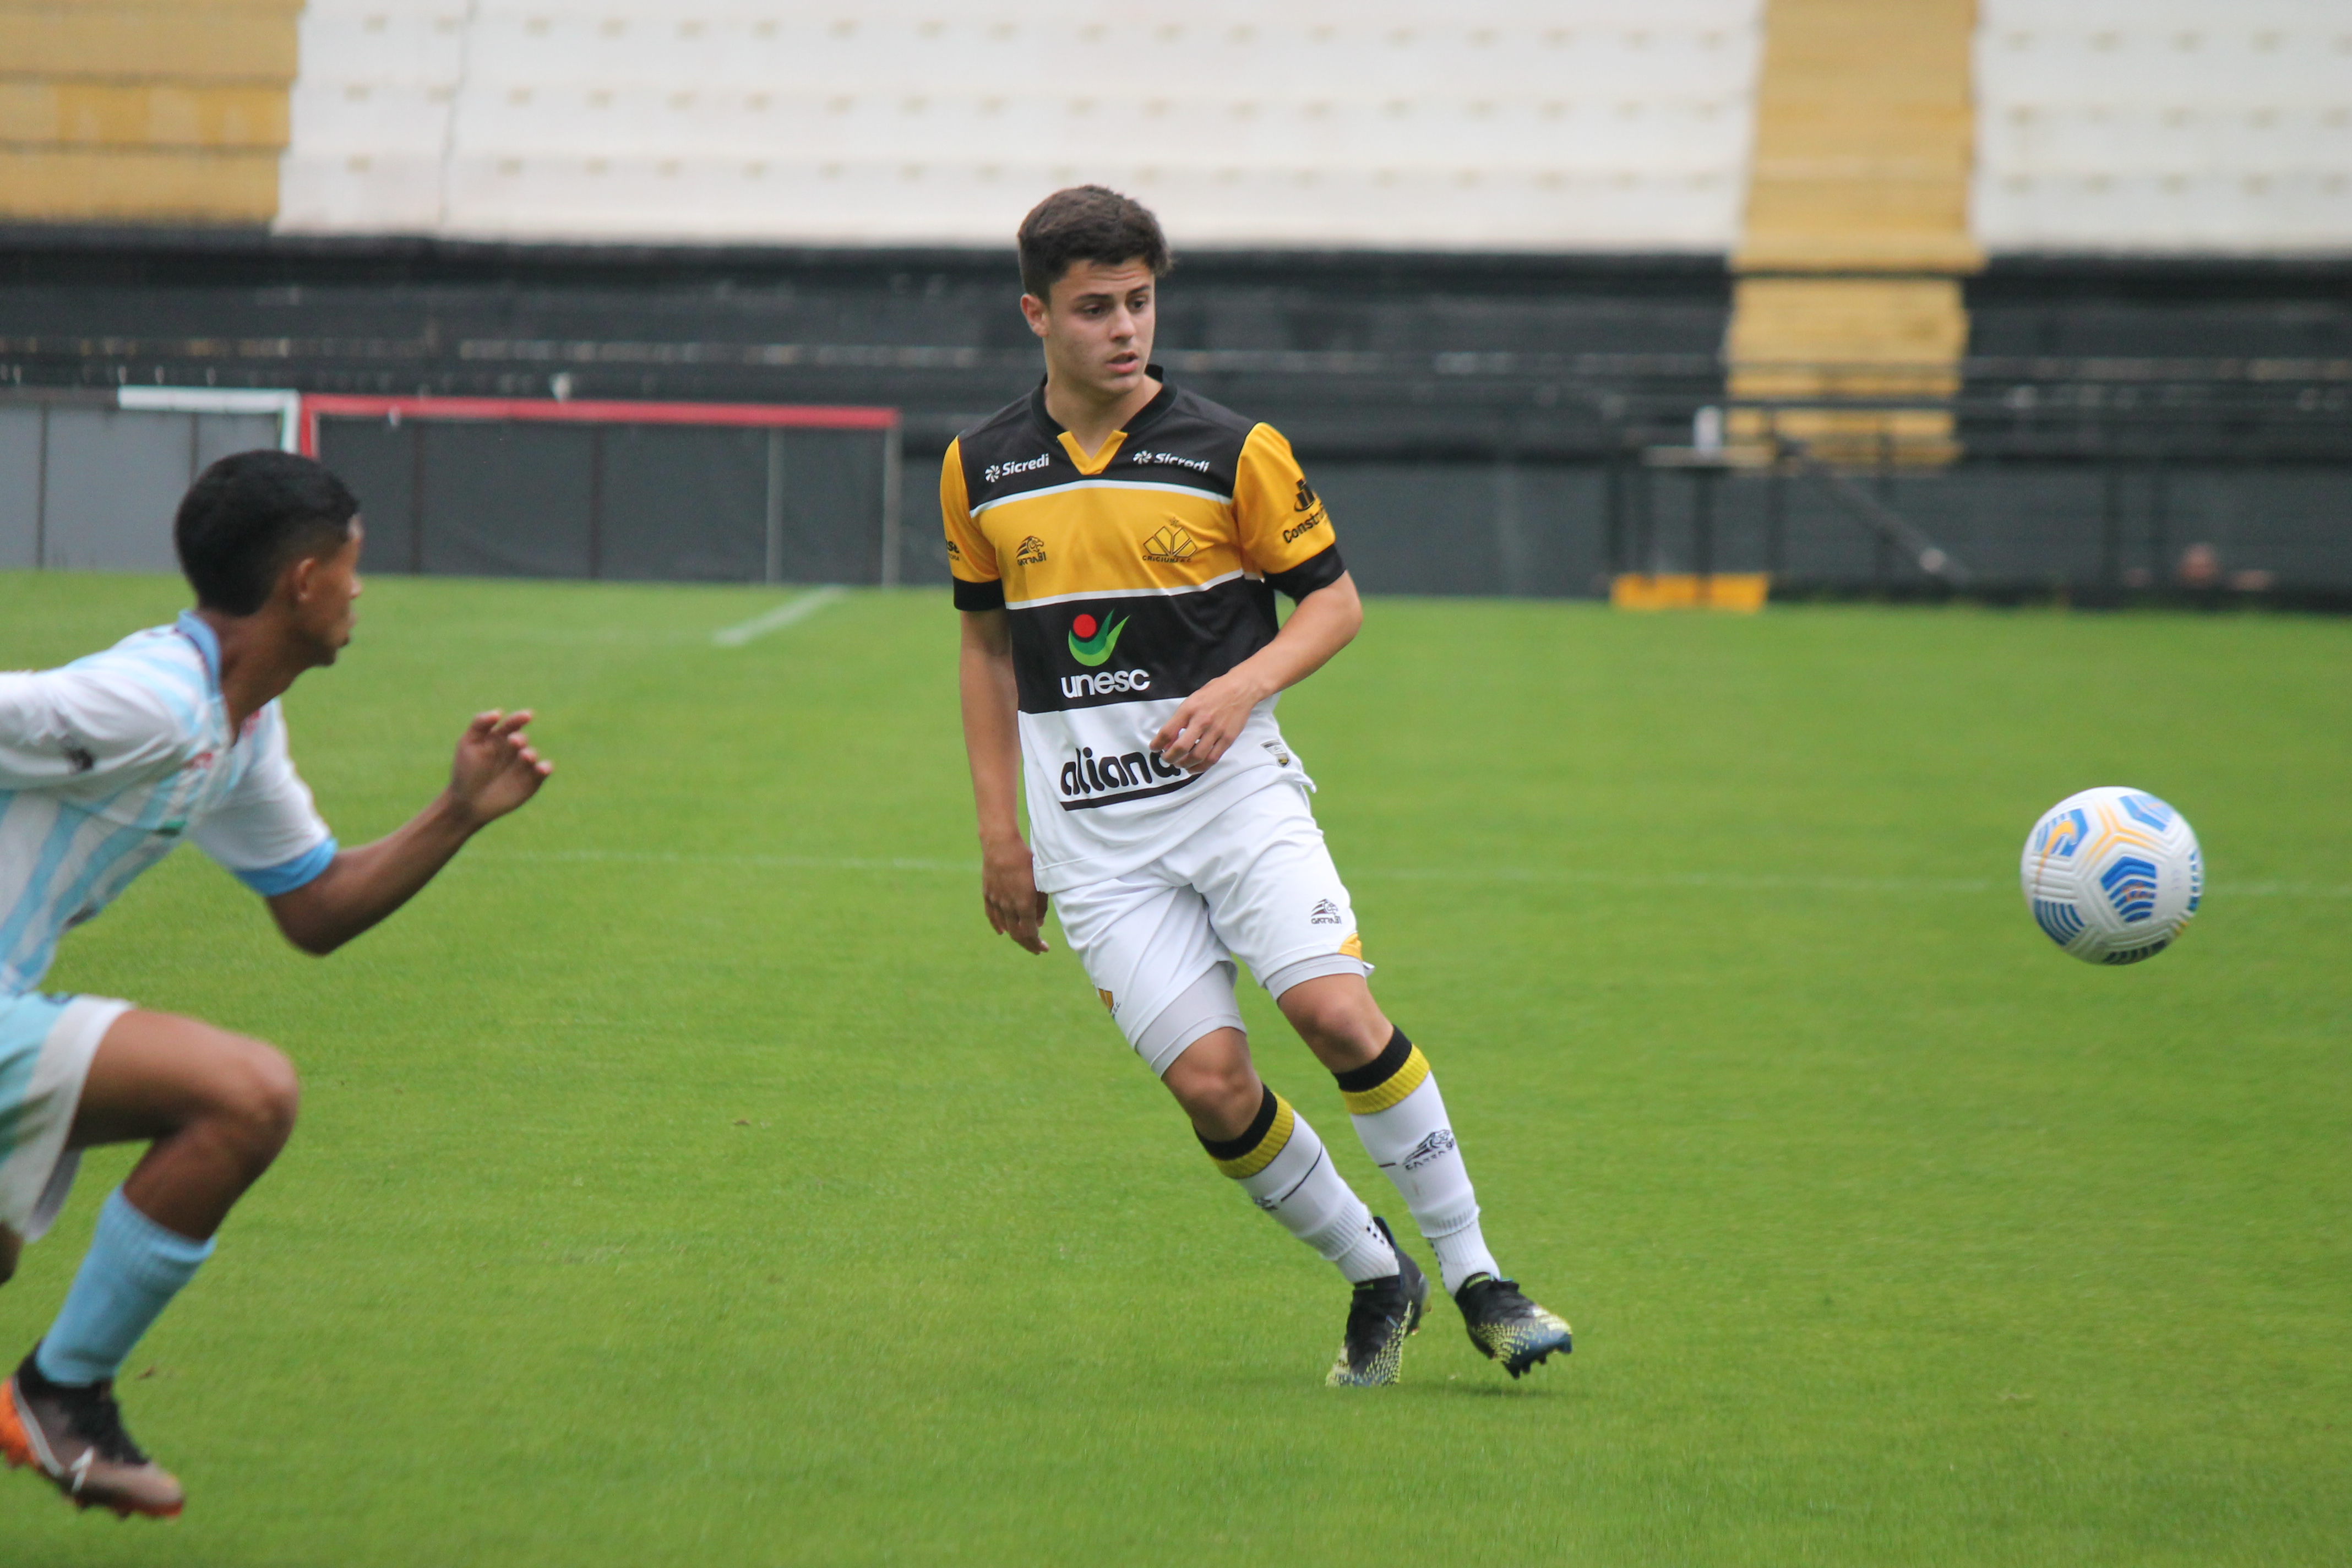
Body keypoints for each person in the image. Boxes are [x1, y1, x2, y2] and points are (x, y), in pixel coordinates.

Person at [946, 186, 1571, 1387]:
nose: (1125, 328)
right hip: (1095, 841)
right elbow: (983, 650)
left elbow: (1334, 603)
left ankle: (1480, 1276)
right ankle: (1375, 1272)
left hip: (1236, 801)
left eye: (1140, 301)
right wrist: (998, 833)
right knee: (1212, 1087)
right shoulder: (980, 467)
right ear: (1036, 315)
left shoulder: (1234, 449)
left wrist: (1242, 688)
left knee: (1333, 1012)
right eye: (1095, 308)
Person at [0, 451, 550, 1516]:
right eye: (352, 565)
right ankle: (60, 1393)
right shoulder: (151, 701)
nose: (359, 589)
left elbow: (316, 906)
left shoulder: (239, 725)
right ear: (303, 581)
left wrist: (457, 813)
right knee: (244, 1095)